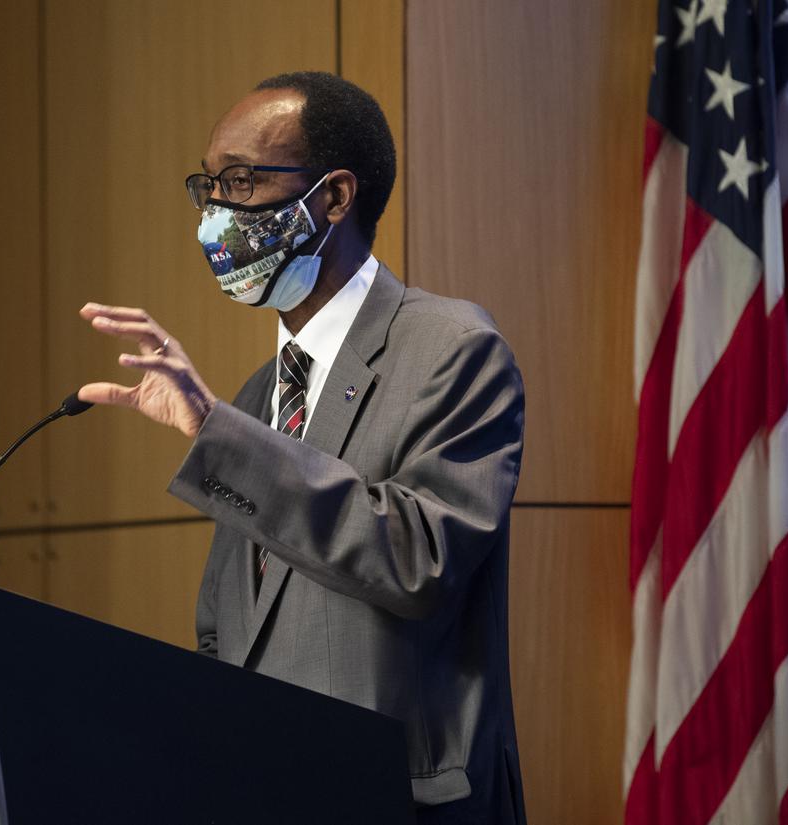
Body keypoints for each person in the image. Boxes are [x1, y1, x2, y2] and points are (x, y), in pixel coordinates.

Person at [77, 72, 527, 824]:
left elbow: (418, 558)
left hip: (399, 801)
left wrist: (214, 431)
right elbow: (227, 629)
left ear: (335, 197)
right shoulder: (258, 396)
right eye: (208, 185)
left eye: (242, 181)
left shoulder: (453, 349)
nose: (215, 214)